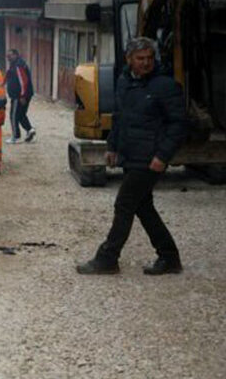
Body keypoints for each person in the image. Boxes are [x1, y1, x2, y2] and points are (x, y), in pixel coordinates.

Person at [76, 37, 187, 275]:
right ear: (129, 59)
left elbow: (178, 125)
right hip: (131, 155)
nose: (146, 63)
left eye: (149, 58)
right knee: (143, 207)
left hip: (150, 159)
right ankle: (169, 257)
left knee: (124, 204)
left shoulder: (165, 86)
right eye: (140, 59)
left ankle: (107, 258)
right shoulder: (125, 82)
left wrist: (163, 156)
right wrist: (112, 147)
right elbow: (119, 118)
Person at [5, 48, 36, 144]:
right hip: (23, 94)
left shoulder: (18, 65)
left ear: (15, 55)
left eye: (10, 56)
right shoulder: (15, 64)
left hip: (18, 96)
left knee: (13, 116)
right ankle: (30, 130)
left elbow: (23, 81)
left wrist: (22, 95)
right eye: (7, 56)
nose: (8, 58)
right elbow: (8, 76)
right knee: (21, 114)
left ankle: (15, 137)